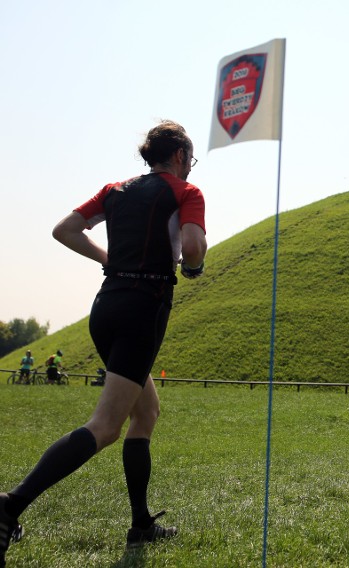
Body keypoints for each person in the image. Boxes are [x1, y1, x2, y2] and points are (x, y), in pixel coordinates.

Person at [0, 120, 207, 566]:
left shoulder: (114, 190)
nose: (190, 167)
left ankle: (141, 524)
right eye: (190, 159)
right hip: (143, 306)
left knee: (146, 410)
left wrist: (106, 257)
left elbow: (65, 229)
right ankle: (9, 505)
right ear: (178, 156)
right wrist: (194, 267)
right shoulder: (185, 192)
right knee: (106, 426)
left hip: (106, 306)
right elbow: (192, 247)